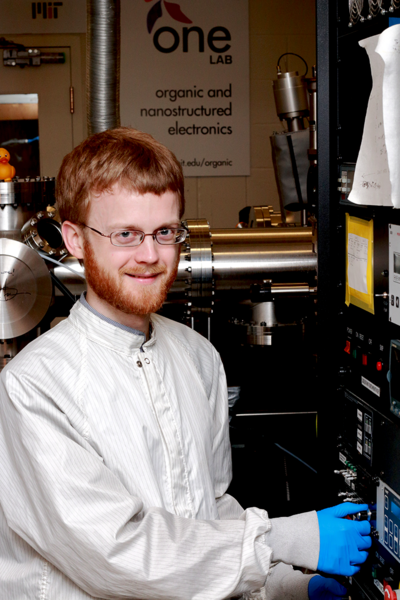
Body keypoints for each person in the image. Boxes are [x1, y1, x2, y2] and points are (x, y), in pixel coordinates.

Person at [0, 128, 371, 600]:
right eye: (126, 234)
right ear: (74, 238)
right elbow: (116, 554)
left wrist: (282, 585)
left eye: (165, 232)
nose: (151, 255)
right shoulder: (34, 387)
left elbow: (209, 513)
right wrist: (284, 539)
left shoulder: (198, 357)